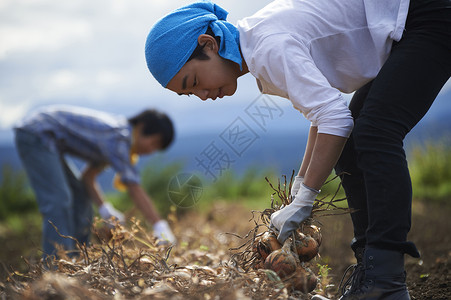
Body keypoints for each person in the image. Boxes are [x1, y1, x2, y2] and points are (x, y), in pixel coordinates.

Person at [143, 0, 450, 298]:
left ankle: (386, 283)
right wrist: (299, 187)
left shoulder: (268, 48)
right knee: (352, 143)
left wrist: (305, 199)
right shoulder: (259, 42)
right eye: (190, 93)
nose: (203, 94)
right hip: (408, 23)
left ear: (208, 44)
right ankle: (372, 274)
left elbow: (334, 118)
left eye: (194, 80)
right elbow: (323, 114)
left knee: (374, 132)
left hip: (426, 15)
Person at [14, 105, 177, 258]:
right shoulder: (120, 138)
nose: (151, 150)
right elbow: (133, 187)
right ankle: (56, 268)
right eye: (153, 143)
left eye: (156, 149)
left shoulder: (115, 140)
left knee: (80, 195)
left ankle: (76, 258)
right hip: (38, 134)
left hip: (48, 140)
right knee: (58, 200)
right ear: (141, 127)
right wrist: (159, 225)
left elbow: (88, 177)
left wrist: (105, 210)